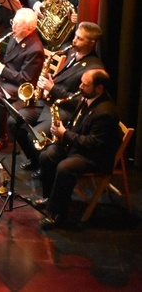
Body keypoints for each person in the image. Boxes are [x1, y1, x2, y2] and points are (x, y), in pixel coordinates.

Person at [14, 22, 104, 174]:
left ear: (92, 43)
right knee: (15, 121)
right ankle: (34, 159)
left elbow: (81, 102)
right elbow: (63, 80)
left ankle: (44, 168)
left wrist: (52, 88)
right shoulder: (71, 52)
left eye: (80, 38)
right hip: (48, 103)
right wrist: (50, 82)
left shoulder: (94, 69)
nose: (74, 40)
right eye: (75, 36)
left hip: (64, 112)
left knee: (33, 135)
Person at [36, 69, 121, 229]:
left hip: (96, 156)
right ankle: (50, 198)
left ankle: (57, 215)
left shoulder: (105, 112)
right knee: (47, 155)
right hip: (81, 147)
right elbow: (78, 126)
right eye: (81, 82)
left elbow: (93, 143)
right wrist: (62, 131)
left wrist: (65, 134)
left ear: (99, 88)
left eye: (85, 84)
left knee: (65, 167)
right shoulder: (87, 98)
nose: (80, 87)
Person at [0, 8, 45, 152]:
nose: (13, 27)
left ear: (30, 29)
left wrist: (0, 68)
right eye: (13, 22)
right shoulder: (14, 35)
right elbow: (7, 59)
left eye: (18, 25)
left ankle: (0, 138)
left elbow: (25, 79)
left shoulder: (35, 49)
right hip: (6, 78)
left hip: (21, 86)